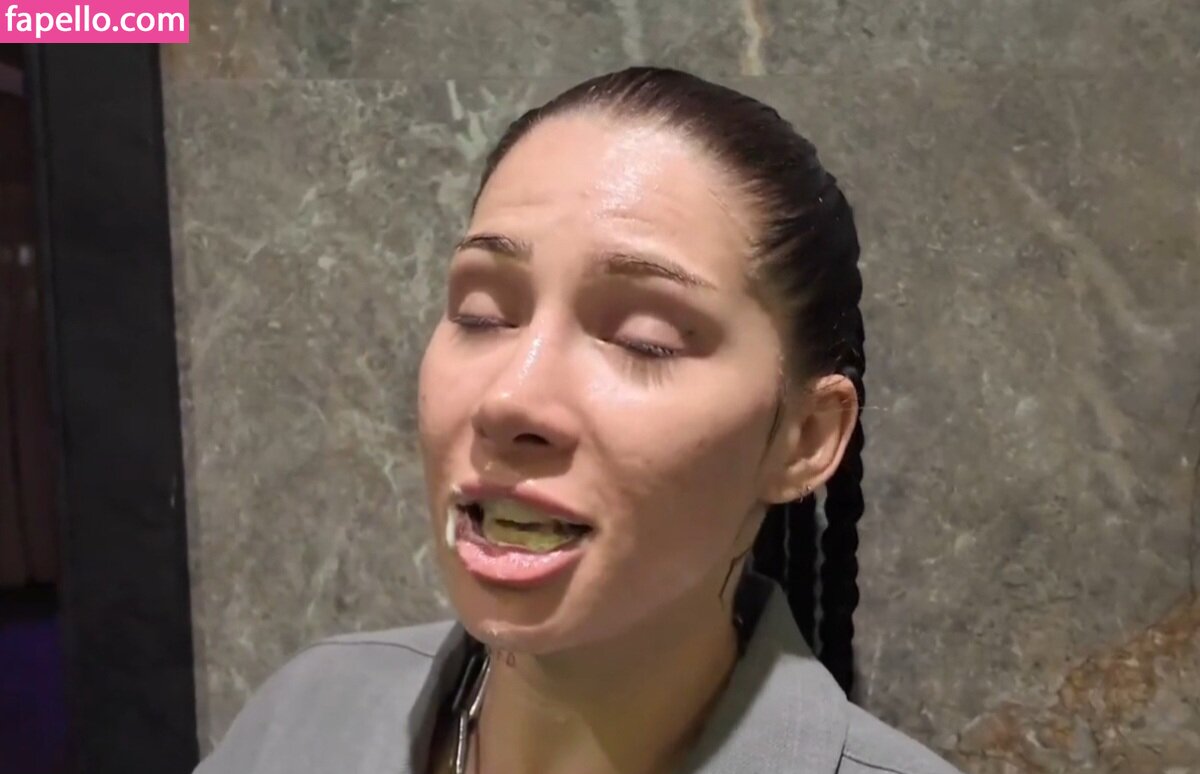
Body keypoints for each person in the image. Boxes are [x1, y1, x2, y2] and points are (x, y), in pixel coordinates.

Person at [194, 67, 962, 774]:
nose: (510, 400)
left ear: (804, 437)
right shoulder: (305, 721)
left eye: (643, 340)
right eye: (482, 314)